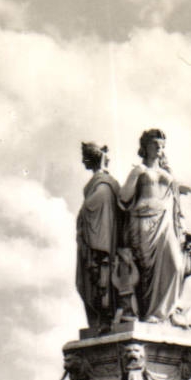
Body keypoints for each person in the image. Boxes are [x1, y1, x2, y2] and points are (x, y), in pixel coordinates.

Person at [117, 128, 191, 326]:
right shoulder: (139, 170)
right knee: (146, 271)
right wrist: (135, 178)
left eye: (162, 146)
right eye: (155, 145)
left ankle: (162, 312)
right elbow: (124, 196)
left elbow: (175, 200)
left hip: (165, 223)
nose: (159, 149)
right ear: (145, 147)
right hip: (143, 221)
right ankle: (148, 314)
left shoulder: (166, 173)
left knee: (175, 265)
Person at [75, 142, 121, 333]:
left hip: (104, 241)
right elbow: (90, 208)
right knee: (96, 279)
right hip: (96, 241)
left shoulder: (104, 185)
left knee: (102, 277)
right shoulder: (105, 184)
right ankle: (102, 318)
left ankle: (106, 317)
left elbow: (91, 208)